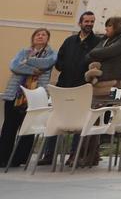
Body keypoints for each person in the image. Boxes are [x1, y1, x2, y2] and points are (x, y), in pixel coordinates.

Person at [38, 11, 98, 166]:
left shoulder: (98, 42)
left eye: (92, 21)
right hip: (63, 86)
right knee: (56, 119)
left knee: (80, 123)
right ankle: (49, 154)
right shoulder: (69, 41)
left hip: (82, 88)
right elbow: (59, 62)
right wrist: (66, 66)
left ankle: (74, 155)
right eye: (86, 21)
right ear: (80, 23)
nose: (89, 24)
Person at [76, 16, 121, 167]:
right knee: (92, 118)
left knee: (106, 114)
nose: (106, 29)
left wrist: (98, 52)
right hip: (98, 83)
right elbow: (91, 54)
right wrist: (99, 52)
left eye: (109, 26)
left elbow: (103, 52)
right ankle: (88, 155)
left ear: (117, 26)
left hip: (116, 84)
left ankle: (89, 155)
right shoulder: (105, 39)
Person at [0, 28, 56, 168]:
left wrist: (27, 62)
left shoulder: (52, 54)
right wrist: (33, 70)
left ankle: (18, 159)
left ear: (47, 39)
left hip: (35, 96)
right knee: (9, 126)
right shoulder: (23, 51)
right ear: (33, 37)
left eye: (43, 35)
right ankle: (2, 157)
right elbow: (14, 66)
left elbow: (47, 63)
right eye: (38, 34)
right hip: (15, 94)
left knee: (28, 127)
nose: (40, 36)